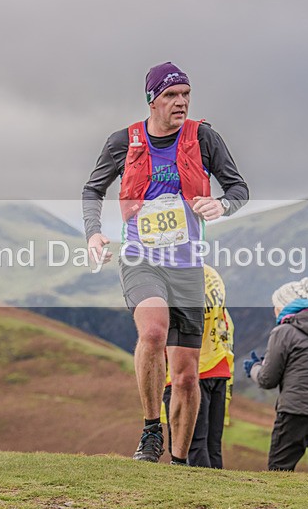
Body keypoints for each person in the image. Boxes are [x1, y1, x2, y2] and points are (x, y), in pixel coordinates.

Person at [82, 62, 249, 465]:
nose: (181, 102)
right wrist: (93, 232)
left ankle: (177, 461)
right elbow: (93, 188)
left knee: (188, 374)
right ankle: (151, 430)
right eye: (172, 95)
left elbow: (239, 188)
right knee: (154, 332)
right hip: (141, 257)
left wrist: (221, 204)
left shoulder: (204, 138)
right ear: (152, 99)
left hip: (188, 263)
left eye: (186, 94)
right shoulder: (124, 141)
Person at [243, 277, 308, 473]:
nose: (274, 311)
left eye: (275, 306)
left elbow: (267, 379)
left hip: (293, 413)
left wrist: (254, 368)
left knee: (279, 470)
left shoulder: (283, 332)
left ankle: (274, 505)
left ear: (284, 306)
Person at [162, 264, 234, 468]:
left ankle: (200, 494)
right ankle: (218, 493)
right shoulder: (212, 276)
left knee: (191, 444)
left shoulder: (171, 277)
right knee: (212, 445)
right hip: (219, 364)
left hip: (190, 368)